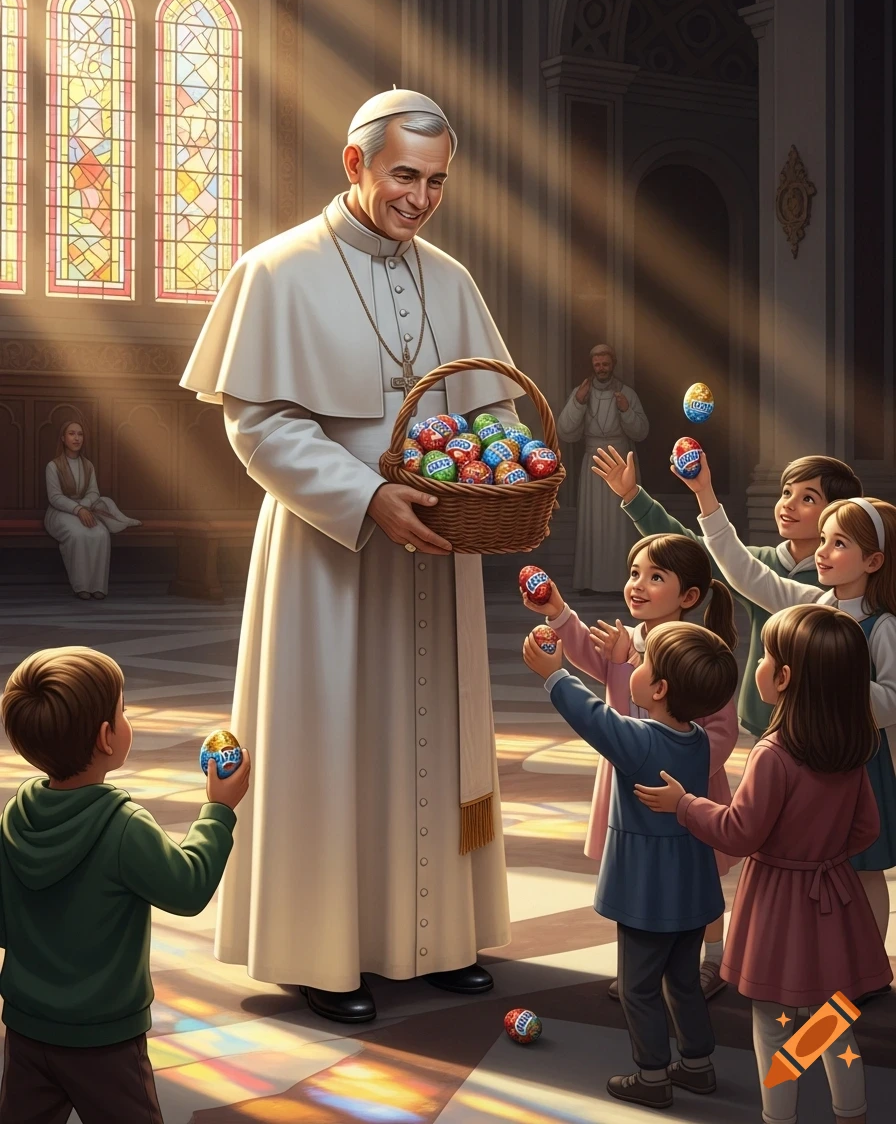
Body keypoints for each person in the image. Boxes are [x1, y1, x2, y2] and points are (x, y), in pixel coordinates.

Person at [180, 89, 524, 1023]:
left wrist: (497, 463)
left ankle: (439, 936)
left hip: (437, 550)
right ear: (355, 164)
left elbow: (494, 410)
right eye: (403, 175)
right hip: (329, 554)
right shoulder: (277, 271)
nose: (419, 198)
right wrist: (367, 494)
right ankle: (323, 953)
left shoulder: (450, 279)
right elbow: (259, 427)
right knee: (330, 744)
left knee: (441, 741)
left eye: (436, 181)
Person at [636, 604, 892, 1124]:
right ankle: (852, 1113)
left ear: (786, 677)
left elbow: (739, 831)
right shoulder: (853, 747)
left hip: (778, 903)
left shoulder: (773, 753)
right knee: (833, 1021)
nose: (757, 664)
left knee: (774, 1022)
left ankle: (780, 1117)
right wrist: (827, 854)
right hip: (834, 900)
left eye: (767, 655)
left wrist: (685, 805)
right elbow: (867, 829)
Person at [0, 646, 250, 1124]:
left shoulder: (14, 821)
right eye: (124, 710)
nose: (127, 717)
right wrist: (219, 810)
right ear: (105, 737)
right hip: (105, 1040)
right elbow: (188, 887)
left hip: (28, 1029)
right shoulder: (124, 826)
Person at [675, 451, 896, 977]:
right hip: (809, 759)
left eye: (838, 543)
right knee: (810, 863)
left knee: (864, 870)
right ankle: (819, 965)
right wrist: (706, 494)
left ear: (873, 561)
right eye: (823, 540)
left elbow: (891, 696)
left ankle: (864, 969)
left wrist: (835, 691)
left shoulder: (884, 627)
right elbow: (746, 573)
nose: (822, 552)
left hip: (862, 761)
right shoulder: (815, 606)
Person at [523, 621, 737, 1109]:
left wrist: (555, 674)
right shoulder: (699, 741)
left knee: (638, 988)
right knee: (683, 981)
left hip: (647, 893)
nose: (632, 668)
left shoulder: (639, 742)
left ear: (659, 690)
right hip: (692, 889)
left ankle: (653, 1074)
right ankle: (698, 1066)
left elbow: (594, 717)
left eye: (642, 664)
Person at [521, 534, 739, 1001]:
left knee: (700, 876)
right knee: (641, 877)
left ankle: (713, 958)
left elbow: (717, 729)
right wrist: (557, 612)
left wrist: (691, 769)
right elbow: (586, 651)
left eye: (655, 576)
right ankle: (642, 968)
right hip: (633, 787)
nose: (638, 584)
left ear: (689, 597)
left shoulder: (699, 649)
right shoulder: (632, 639)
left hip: (685, 788)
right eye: (634, 572)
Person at [593, 446, 863, 736]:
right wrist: (634, 497)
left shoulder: (844, 582)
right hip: (763, 711)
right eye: (786, 493)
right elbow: (691, 550)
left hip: (823, 716)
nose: (790, 504)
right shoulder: (756, 562)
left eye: (808, 498)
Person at [556, 344, 648, 594]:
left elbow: (641, 431)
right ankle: (591, 582)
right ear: (592, 366)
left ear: (613, 364)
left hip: (620, 461)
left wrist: (626, 410)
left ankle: (622, 581)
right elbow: (564, 430)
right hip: (594, 463)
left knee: (621, 524)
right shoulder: (582, 392)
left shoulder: (626, 393)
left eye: (605, 364)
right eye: (597, 364)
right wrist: (577, 402)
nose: (601, 369)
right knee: (593, 524)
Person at [44, 419, 141, 600]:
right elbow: (55, 497)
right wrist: (78, 509)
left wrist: (85, 506)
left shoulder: (88, 465)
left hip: (85, 509)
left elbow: (93, 492)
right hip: (60, 513)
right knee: (78, 534)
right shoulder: (53, 466)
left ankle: (97, 586)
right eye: (72, 434)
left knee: (101, 533)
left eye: (80, 434)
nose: (76, 438)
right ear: (63, 438)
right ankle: (81, 586)